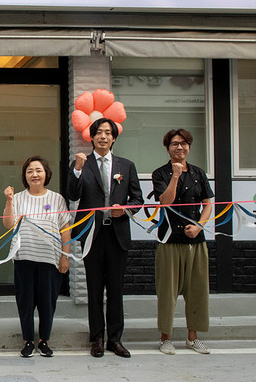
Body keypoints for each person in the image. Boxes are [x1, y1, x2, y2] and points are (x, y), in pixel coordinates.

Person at [67, 118, 143, 358]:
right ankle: (97, 338)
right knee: (94, 288)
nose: (103, 136)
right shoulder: (82, 163)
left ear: (113, 138)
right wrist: (77, 170)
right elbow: (72, 195)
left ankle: (115, 339)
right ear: (91, 137)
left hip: (117, 234)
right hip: (93, 235)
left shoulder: (126, 165)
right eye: (99, 132)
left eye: (108, 133)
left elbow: (138, 199)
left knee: (116, 289)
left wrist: (126, 210)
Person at [151, 129, 213, 355]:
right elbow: (165, 202)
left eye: (184, 143)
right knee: (168, 292)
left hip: (196, 241)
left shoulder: (198, 173)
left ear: (189, 146)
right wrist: (175, 176)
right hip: (170, 240)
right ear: (167, 148)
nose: (180, 147)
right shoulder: (160, 173)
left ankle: (192, 337)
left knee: (197, 290)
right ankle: (166, 337)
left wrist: (199, 226)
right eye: (175, 144)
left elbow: (208, 203)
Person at [3, 156, 71, 358]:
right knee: (25, 301)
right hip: (24, 257)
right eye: (30, 171)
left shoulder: (57, 199)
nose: (34, 174)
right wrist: (9, 201)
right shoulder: (18, 198)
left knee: (47, 302)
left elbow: (65, 229)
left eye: (38, 170)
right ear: (25, 176)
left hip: (50, 258)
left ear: (46, 174)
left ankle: (44, 341)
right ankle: (28, 341)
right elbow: (8, 224)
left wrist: (65, 256)